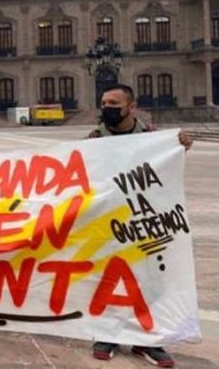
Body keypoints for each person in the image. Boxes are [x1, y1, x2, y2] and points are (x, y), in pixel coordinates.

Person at [88, 84, 191, 368]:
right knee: (108, 277)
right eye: (103, 102)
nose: (106, 107)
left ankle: (147, 340)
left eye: (113, 103)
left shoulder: (154, 139)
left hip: (146, 222)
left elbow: (168, 172)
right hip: (109, 222)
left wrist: (180, 145)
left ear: (131, 107)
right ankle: (106, 334)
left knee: (151, 280)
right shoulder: (94, 139)